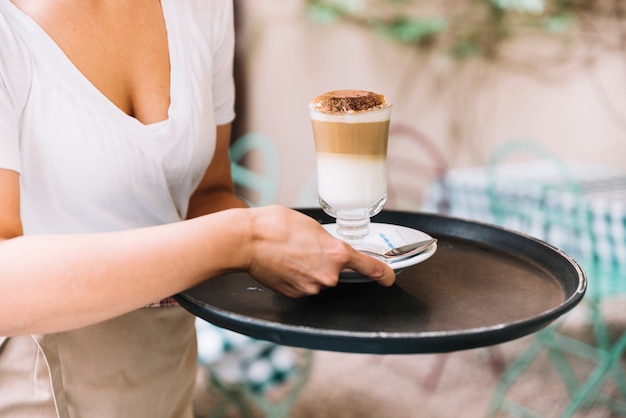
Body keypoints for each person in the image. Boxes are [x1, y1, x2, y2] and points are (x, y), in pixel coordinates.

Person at [0, 0, 395, 416]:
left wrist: (295, 257)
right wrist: (247, 238)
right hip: (37, 380)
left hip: (165, 359)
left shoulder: (202, 6)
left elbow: (209, 194)